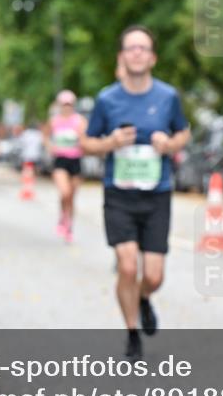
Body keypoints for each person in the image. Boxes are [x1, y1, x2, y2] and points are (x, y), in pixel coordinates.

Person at [81, 25, 191, 360]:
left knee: (153, 276)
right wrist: (110, 143)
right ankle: (132, 332)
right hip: (119, 195)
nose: (137, 53)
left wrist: (169, 144)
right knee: (127, 267)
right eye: (131, 48)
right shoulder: (106, 99)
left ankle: (143, 297)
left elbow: (183, 133)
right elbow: (86, 143)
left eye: (143, 48)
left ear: (153, 57)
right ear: (122, 56)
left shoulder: (167, 96)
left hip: (157, 195)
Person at [45, 90, 87, 242]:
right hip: (60, 161)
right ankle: (62, 216)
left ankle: (69, 226)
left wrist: (83, 142)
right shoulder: (54, 121)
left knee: (72, 197)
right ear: (59, 105)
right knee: (65, 192)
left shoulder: (79, 121)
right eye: (64, 104)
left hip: (75, 161)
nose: (67, 107)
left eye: (69, 104)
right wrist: (50, 146)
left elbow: (85, 139)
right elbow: (45, 136)